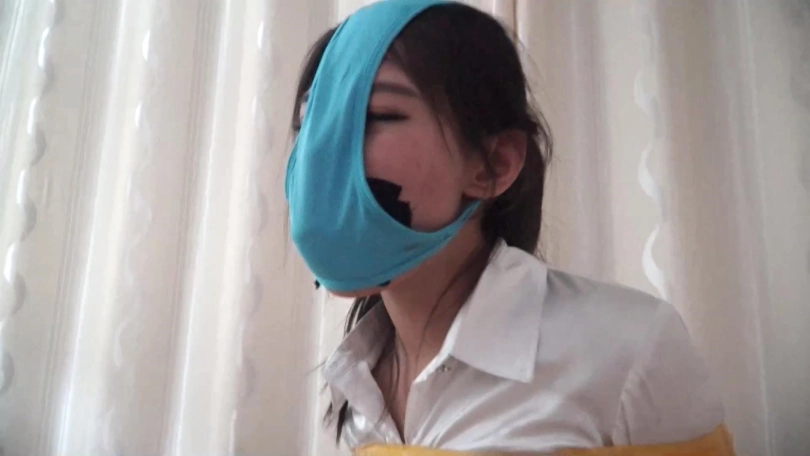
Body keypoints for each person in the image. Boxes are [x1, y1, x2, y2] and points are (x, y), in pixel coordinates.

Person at [285, 1, 734, 454]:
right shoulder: (354, 380)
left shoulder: (630, 348)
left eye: (379, 116)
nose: (321, 156)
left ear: (493, 165)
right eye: (308, 124)